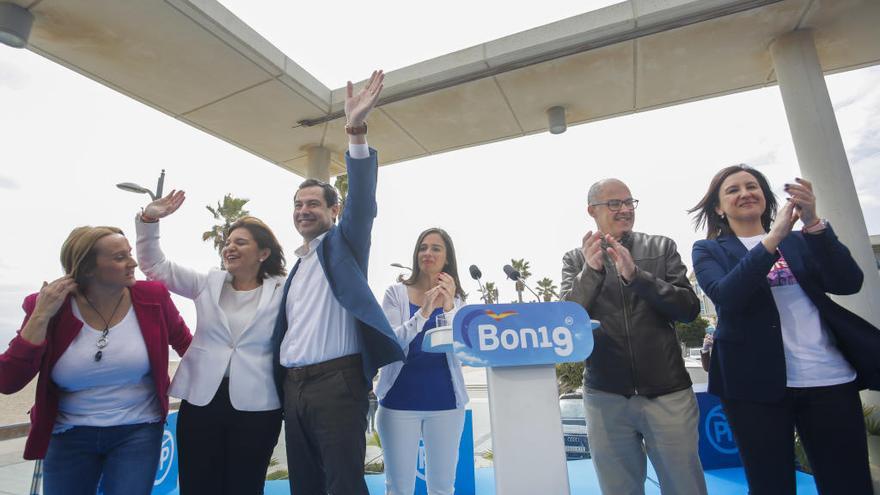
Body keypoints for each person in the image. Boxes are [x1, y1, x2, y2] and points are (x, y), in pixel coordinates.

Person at [690, 165, 877, 494]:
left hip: (829, 379)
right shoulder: (709, 251)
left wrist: (814, 224)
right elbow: (728, 297)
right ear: (718, 207)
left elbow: (848, 282)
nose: (746, 193)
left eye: (753, 186)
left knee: (849, 483)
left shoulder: (803, 240)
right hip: (753, 388)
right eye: (733, 190)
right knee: (770, 485)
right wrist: (772, 238)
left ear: (765, 196)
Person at [270, 70, 405, 495]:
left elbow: (363, 199)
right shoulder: (295, 268)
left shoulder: (343, 244)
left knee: (343, 484)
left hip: (337, 384)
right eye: (297, 204)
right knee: (305, 486)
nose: (303, 210)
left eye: (313, 203)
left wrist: (356, 130)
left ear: (334, 209)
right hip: (294, 388)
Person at [0, 226, 191, 495]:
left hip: (138, 429)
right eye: (119, 257)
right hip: (68, 434)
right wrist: (41, 316)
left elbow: (187, 346)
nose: (133, 262)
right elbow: (8, 380)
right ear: (87, 268)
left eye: (129, 254)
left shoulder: (153, 297)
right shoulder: (47, 306)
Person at [560, 178, 707, 495]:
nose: (625, 209)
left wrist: (636, 276)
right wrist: (592, 272)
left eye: (630, 202)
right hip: (605, 398)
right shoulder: (575, 259)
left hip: (668, 394)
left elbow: (688, 309)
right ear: (592, 211)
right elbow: (568, 320)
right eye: (615, 203)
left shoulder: (662, 247)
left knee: (686, 487)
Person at [136, 197, 286, 494]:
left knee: (245, 485)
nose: (230, 247)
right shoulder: (207, 283)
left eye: (241, 242)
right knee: (197, 484)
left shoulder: (284, 289)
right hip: (203, 401)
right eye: (228, 242)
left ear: (263, 253)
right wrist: (149, 221)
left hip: (258, 405)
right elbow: (154, 265)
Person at [375, 228, 468, 495]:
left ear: (447, 258)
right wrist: (424, 312)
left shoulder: (458, 299)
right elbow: (391, 341)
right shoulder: (395, 293)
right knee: (399, 488)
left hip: (446, 405)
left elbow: (463, 349)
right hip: (398, 404)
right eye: (423, 247)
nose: (427, 253)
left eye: (436, 248)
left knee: (442, 488)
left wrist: (449, 307)